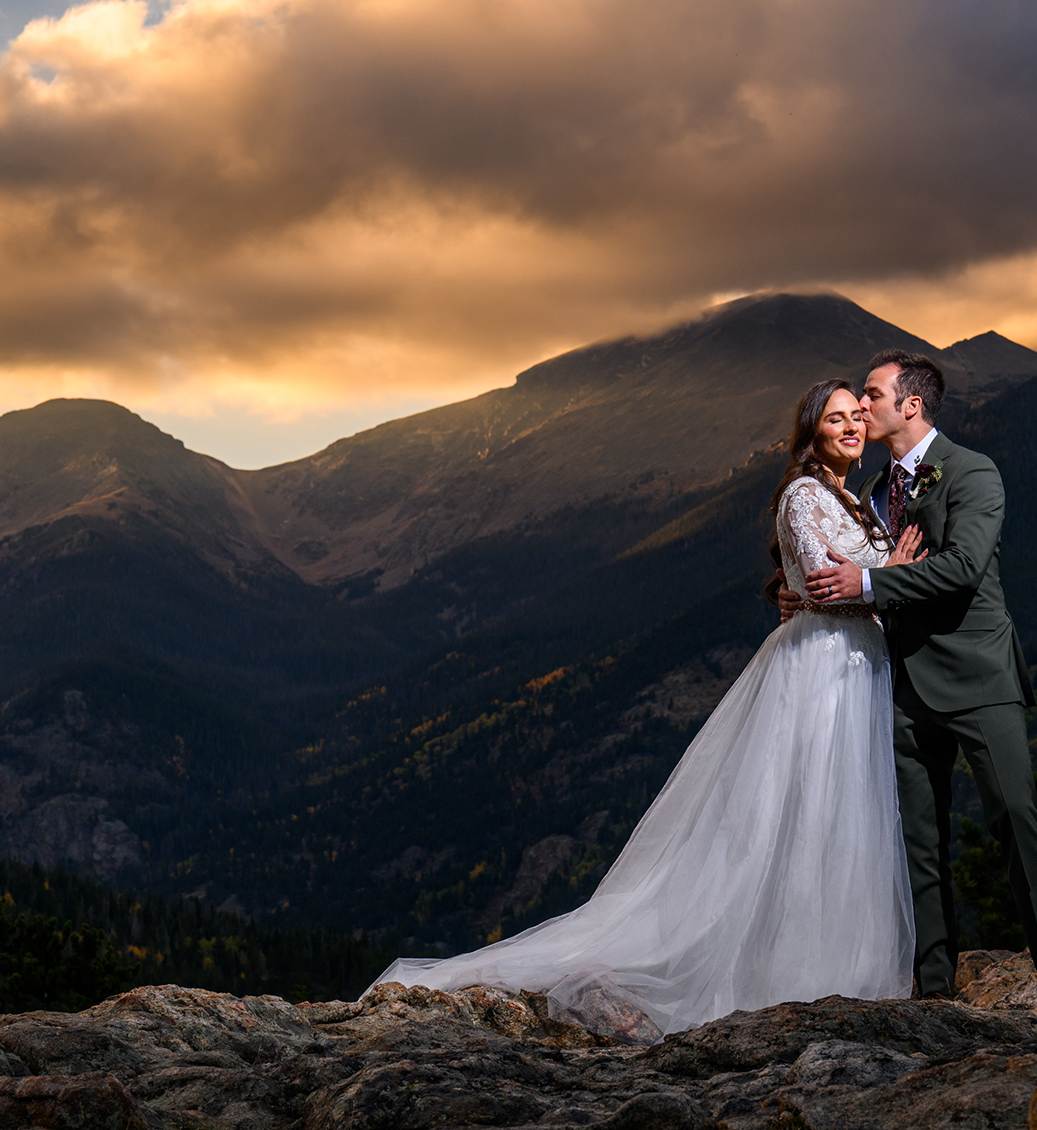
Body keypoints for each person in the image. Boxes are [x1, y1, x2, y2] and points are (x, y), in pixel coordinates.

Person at [364, 380, 921, 1042]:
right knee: (807, 815)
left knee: (837, 816)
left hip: (850, 666)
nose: (852, 427)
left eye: (856, 416)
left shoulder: (848, 499)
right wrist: (892, 572)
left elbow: (819, 583)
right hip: (823, 669)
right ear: (811, 433)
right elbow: (822, 584)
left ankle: (831, 959)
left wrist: (861, 575)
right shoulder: (804, 495)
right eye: (836, 419)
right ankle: (799, 969)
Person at [785, 349, 1037, 1004]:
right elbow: (831, 568)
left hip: (978, 677)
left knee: (1015, 818)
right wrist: (801, 593)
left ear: (910, 405)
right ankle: (935, 985)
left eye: (872, 394)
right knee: (918, 839)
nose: (862, 406)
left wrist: (870, 580)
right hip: (904, 684)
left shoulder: (974, 472)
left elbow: (962, 567)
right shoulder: (867, 495)